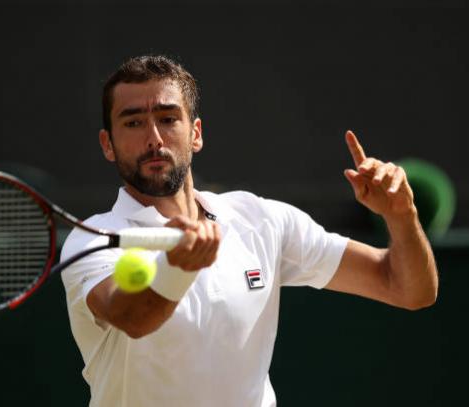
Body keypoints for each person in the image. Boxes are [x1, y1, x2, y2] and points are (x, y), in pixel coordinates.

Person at [60, 55, 438, 407]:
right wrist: (179, 269)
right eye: (133, 122)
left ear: (196, 134)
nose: (154, 138)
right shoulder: (94, 239)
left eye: (168, 118)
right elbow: (129, 317)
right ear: (108, 144)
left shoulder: (261, 219)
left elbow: (408, 289)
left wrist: (402, 218)